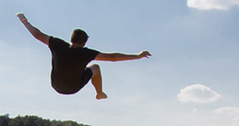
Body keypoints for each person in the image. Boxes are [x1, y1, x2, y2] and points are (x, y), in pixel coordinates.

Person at [16, 13, 151, 100]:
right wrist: (137, 56)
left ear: (71, 38)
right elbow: (113, 57)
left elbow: (37, 34)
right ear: (84, 42)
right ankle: (99, 93)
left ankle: (99, 93)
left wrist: (24, 20)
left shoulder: (58, 44)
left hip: (56, 85)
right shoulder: (86, 53)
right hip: (73, 88)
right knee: (95, 67)